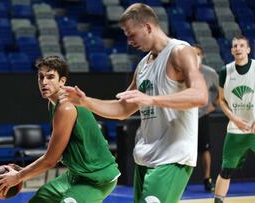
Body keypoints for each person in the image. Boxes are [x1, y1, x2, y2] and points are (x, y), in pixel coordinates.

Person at [60, 3, 208, 203]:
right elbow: (122, 109)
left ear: (148, 27)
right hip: (145, 157)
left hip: (174, 157)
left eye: (131, 35)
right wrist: (86, 102)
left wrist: (152, 99)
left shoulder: (180, 51)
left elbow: (200, 96)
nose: (129, 41)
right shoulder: (143, 65)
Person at [0, 56, 120, 203]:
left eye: (50, 77)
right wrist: (23, 171)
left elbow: (50, 160)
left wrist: (19, 177)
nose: (44, 82)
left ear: (62, 81)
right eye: (40, 77)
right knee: (39, 200)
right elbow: (57, 153)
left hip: (98, 178)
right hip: (76, 175)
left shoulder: (66, 107)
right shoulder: (53, 104)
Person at [214, 35, 255, 203]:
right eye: (235, 46)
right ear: (231, 50)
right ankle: (218, 201)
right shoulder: (225, 71)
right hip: (235, 129)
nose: (238, 48)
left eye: (241, 45)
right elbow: (221, 100)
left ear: (248, 49)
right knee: (226, 170)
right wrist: (233, 118)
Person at [193, 44, 219, 192]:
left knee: (205, 149)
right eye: (192, 53)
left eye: (197, 54)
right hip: (184, 117)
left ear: (202, 56)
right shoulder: (182, 71)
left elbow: (221, 91)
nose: (195, 56)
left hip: (202, 116)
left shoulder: (209, 73)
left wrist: (213, 105)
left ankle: (207, 179)